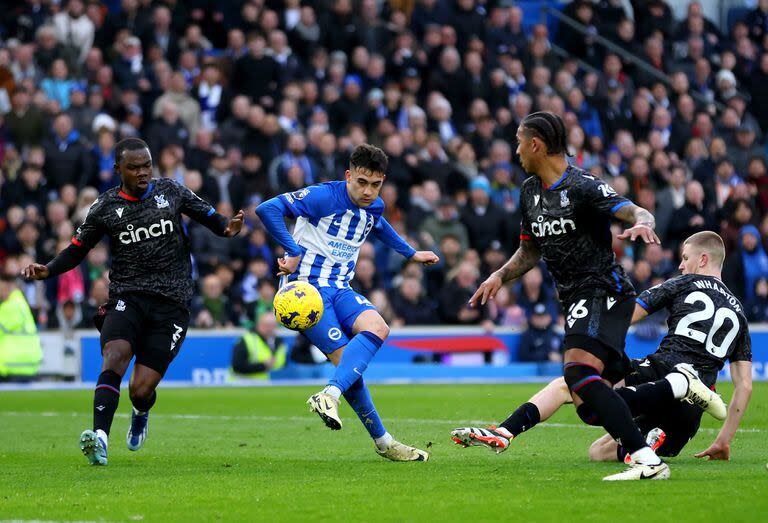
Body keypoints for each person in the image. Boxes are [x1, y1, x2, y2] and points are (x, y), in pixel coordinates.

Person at [466, 111, 668, 481]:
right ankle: (669, 398)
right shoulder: (529, 191)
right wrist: (500, 274)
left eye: (518, 142)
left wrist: (642, 223)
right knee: (588, 405)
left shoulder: (584, 186)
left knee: (576, 371)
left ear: (535, 144)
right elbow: (529, 250)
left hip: (605, 290)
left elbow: (636, 210)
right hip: (574, 298)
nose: (516, 151)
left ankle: (645, 457)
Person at [21, 138, 244, 466]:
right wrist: (49, 269)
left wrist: (228, 228)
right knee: (114, 356)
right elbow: (78, 248)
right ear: (118, 170)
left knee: (140, 389)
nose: (142, 172)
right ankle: (100, 439)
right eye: (134, 167)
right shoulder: (105, 207)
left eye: (146, 165)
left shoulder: (171, 191)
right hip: (128, 295)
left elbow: (212, 218)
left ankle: (140, 411)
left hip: (173, 302)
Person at [454, 232, 750, 464]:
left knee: (571, 385)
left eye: (685, 258)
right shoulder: (740, 315)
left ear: (701, 260)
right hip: (689, 417)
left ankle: (505, 431)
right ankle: (648, 443)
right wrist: (723, 440)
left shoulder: (681, 284)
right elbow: (744, 386)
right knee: (598, 451)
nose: (680, 265)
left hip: (659, 372)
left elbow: (626, 315)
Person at [256, 143, 439, 461]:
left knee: (377, 328)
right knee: (347, 365)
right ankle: (383, 441)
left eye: (376, 184)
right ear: (348, 175)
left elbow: (378, 226)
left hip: (340, 288)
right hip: (306, 291)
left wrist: (410, 252)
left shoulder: (375, 206)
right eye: (361, 183)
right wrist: (293, 251)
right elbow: (267, 209)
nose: (368, 191)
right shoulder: (323, 196)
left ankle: (331, 396)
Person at [0, 274, 43, 382]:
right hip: (25, 365)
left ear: (7, 286)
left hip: (11, 366)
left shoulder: (10, 306)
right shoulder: (20, 303)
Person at [229, 312, 287, 380]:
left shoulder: (278, 342)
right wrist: (263, 366)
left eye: (273, 325)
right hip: (241, 383)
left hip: (265, 384)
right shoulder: (246, 340)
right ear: (259, 325)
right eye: (267, 325)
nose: (270, 329)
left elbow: (283, 363)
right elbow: (237, 366)